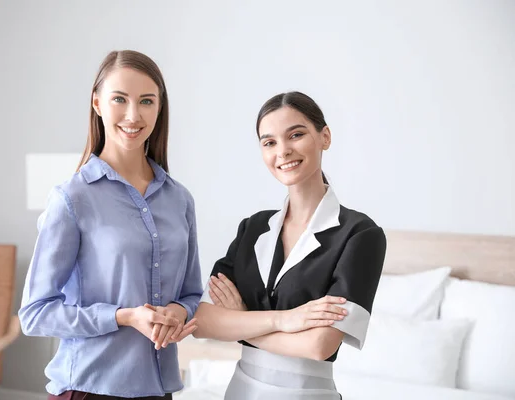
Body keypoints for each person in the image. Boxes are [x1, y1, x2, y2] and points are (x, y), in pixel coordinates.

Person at [19, 50, 203, 400]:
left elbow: (191, 293)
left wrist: (178, 311)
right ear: (97, 103)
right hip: (89, 389)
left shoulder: (180, 200)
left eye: (146, 101)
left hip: (159, 389)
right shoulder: (72, 199)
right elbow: (35, 314)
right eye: (120, 99)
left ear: (159, 108)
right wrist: (123, 317)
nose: (133, 115)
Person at [193, 91, 387, 399]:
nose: (282, 151)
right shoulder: (253, 228)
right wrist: (285, 320)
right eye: (269, 142)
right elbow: (202, 322)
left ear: (325, 137)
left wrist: (241, 320)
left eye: (295, 135)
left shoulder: (360, 235)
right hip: (241, 390)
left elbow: (318, 345)